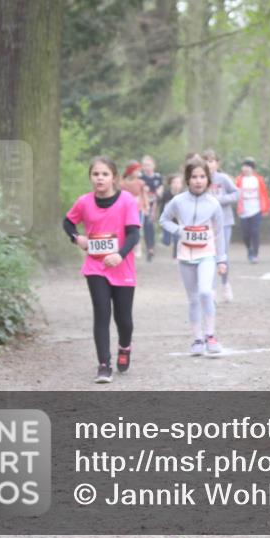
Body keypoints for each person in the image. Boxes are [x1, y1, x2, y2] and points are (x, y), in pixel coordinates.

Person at [64, 156, 141, 383]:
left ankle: (125, 347)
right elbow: (67, 222)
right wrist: (77, 238)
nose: (100, 178)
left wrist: (120, 254)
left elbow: (134, 233)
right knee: (101, 313)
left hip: (122, 267)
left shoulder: (126, 201)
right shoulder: (84, 202)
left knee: (123, 319)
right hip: (95, 267)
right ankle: (104, 364)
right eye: (96, 174)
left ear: (114, 178)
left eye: (105, 174)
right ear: (90, 177)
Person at [160, 158, 229, 356]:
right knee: (192, 298)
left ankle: (210, 335)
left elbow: (219, 233)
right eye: (194, 177)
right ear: (187, 179)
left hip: (207, 254)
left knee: (206, 292)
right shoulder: (178, 201)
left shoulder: (213, 203)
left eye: (202, 177)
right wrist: (179, 230)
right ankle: (197, 339)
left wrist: (221, 259)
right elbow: (163, 220)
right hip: (185, 256)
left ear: (208, 179)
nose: (198, 181)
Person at [202, 150, 239, 302]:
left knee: (221, 255)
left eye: (211, 161)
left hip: (224, 222)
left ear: (217, 163)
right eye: (206, 161)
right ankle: (211, 289)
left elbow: (237, 193)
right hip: (205, 224)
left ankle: (225, 285)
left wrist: (220, 199)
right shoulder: (200, 179)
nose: (208, 164)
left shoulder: (223, 179)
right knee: (208, 255)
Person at [235, 157, 270, 264]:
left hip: (256, 209)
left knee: (255, 232)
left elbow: (264, 194)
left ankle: (255, 254)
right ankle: (249, 249)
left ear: (252, 168)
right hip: (243, 210)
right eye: (244, 166)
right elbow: (235, 193)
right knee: (246, 234)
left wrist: (266, 208)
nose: (245, 169)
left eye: (248, 166)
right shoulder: (239, 180)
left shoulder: (258, 179)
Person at [139, 155, 164, 263]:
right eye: (144, 165)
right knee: (146, 225)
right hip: (143, 204)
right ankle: (149, 248)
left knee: (151, 224)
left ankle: (151, 247)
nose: (147, 167)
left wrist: (159, 192)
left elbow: (161, 188)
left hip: (155, 204)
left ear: (153, 165)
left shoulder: (158, 177)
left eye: (148, 165)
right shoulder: (140, 178)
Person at [160, 173, 184, 256]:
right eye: (174, 182)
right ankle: (164, 239)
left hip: (178, 222)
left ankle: (175, 255)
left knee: (177, 239)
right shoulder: (166, 195)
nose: (176, 185)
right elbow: (161, 206)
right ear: (170, 184)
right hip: (167, 221)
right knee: (166, 241)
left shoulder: (183, 196)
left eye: (178, 182)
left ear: (181, 184)